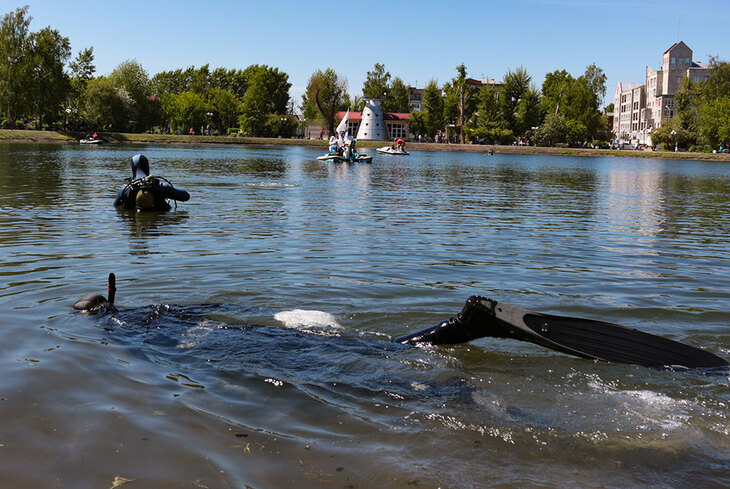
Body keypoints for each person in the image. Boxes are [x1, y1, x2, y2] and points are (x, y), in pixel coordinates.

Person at [113, 154, 190, 212]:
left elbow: (115, 206)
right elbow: (186, 196)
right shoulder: (160, 187)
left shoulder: (125, 188)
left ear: (133, 169)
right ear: (147, 167)